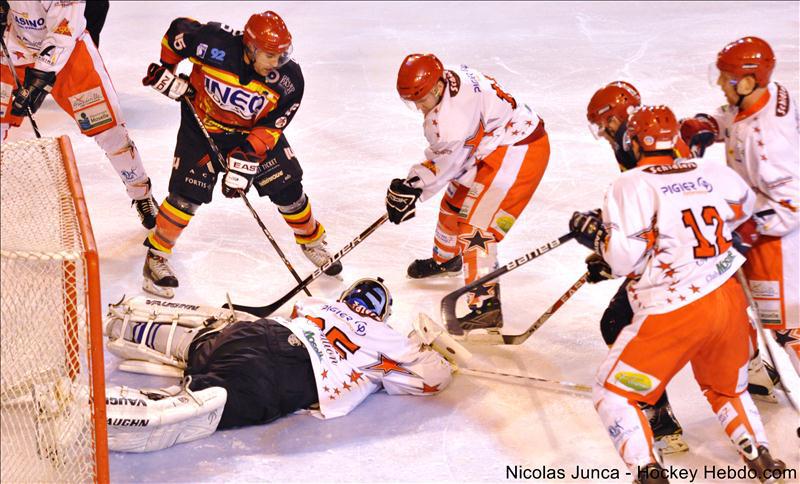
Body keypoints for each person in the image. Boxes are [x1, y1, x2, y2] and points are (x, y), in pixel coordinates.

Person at [570, 105, 785, 483]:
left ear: (636, 142)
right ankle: (761, 457)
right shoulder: (712, 171)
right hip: (728, 300)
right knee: (728, 390)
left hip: (676, 310)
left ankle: (648, 473)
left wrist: (599, 238)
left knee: (613, 393)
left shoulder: (630, 183)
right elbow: (742, 217)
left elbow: (623, 259)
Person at [102, 278, 456, 452]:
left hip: (258, 331)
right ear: (383, 314)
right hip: (288, 371)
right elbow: (435, 377)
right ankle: (108, 409)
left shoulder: (318, 304)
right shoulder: (387, 337)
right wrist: (427, 340)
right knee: (209, 399)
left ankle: (138, 329)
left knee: (211, 345)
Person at [139, 10, 341, 299]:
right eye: (270, 55)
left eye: (282, 55)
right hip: (202, 128)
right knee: (185, 198)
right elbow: (176, 33)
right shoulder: (211, 43)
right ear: (251, 47)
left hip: (249, 135)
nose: (277, 63)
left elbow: (272, 127)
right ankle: (156, 257)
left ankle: (312, 241)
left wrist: (247, 156)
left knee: (289, 190)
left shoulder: (290, 81)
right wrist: (167, 71)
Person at [385, 53, 550, 333]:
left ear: (437, 87)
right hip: (489, 142)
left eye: (421, 100)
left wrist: (412, 186)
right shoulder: (446, 76)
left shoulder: (451, 122)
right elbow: (453, 157)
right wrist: (414, 186)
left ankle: (485, 304)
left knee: (477, 227)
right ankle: (446, 259)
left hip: (518, 149)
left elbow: (447, 164)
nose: (419, 107)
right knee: (453, 203)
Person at [680, 36, 799, 377]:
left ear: (748, 82)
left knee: (790, 329)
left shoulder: (768, 143)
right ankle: (754, 373)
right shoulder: (767, 94)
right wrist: (710, 124)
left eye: (727, 78)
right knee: (729, 302)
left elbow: (791, 204)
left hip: (778, 247)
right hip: (760, 234)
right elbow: (736, 117)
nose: (720, 83)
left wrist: (749, 226)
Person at [585, 81, 688, 455]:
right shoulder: (648, 140)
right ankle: (757, 376)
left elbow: (656, 224)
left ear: (616, 118)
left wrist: (611, 252)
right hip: (704, 256)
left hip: (674, 263)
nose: (603, 133)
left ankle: (658, 418)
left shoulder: (640, 149)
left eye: (604, 124)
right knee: (723, 326)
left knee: (617, 323)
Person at [0, 0, 159, 229]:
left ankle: (141, 192)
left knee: (109, 130)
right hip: (15, 49)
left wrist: (39, 80)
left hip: (70, 55)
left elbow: (63, 32)